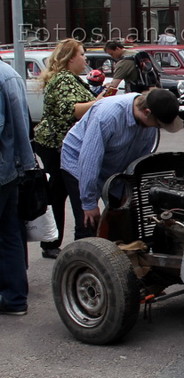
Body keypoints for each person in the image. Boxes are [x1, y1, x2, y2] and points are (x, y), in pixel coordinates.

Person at [61, 89, 184, 232]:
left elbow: (140, 160)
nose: (158, 128)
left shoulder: (149, 122)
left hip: (114, 163)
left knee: (121, 219)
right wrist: (89, 203)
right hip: (79, 161)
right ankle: (81, 251)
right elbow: (89, 159)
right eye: (158, 124)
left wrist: (129, 189)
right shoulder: (107, 117)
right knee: (88, 222)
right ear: (146, 112)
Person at [32, 39, 101, 259]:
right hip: (58, 145)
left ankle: (52, 241)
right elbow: (74, 111)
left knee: (58, 191)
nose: (85, 59)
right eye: (82, 54)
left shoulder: (69, 78)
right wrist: (101, 101)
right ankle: (82, 241)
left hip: (58, 144)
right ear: (70, 58)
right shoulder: (63, 80)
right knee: (75, 189)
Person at [0, 61, 37, 315]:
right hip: (9, 171)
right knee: (10, 233)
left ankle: (13, 299)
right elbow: (23, 126)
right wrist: (26, 164)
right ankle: (14, 299)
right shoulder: (10, 75)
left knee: (9, 233)